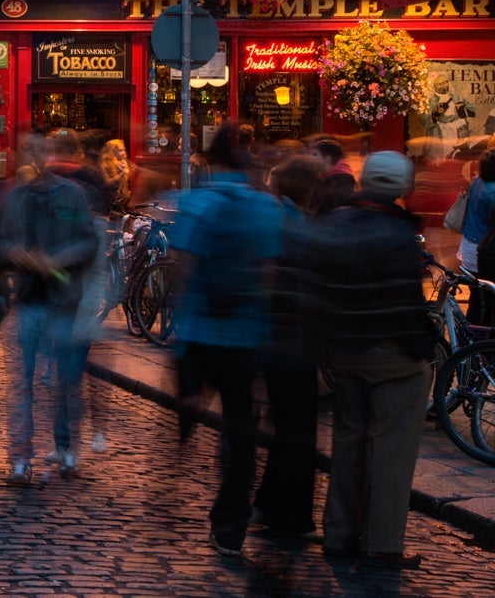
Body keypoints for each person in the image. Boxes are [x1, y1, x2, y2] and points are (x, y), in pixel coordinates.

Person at [307, 151, 435, 568]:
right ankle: (381, 542)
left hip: (346, 349)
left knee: (348, 443)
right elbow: (404, 301)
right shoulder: (395, 231)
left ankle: (339, 533)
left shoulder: (339, 221)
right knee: (392, 450)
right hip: (391, 352)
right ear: (400, 187)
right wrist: (422, 347)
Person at [169, 128, 284, 557]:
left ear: (210, 161)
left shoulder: (197, 202)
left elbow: (183, 270)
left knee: (184, 414)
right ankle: (230, 525)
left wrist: (179, 329)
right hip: (244, 336)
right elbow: (269, 274)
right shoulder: (265, 207)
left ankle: (167, 486)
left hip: (199, 332)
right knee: (241, 434)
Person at [0, 133, 101, 485]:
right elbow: (2, 240)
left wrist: (58, 259)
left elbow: (88, 240)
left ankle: (66, 448)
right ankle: (21, 458)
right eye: (27, 150)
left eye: (39, 150)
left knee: (65, 380)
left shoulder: (71, 194)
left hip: (63, 298)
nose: (34, 157)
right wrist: (14, 253)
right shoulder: (17, 197)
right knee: (22, 383)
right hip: (28, 299)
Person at [253, 154, 326, 543]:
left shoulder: (274, 220)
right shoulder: (300, 228)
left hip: (271, 337)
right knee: (297, 432)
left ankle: (269, 505)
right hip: (291, 340)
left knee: (285, 429)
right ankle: (289, 517)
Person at [456, 147, 495, 275]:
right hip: (485, 250)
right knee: (487, 291)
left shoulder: (477, 182)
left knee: (476, 290)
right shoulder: (492, 192)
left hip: (468, 245)